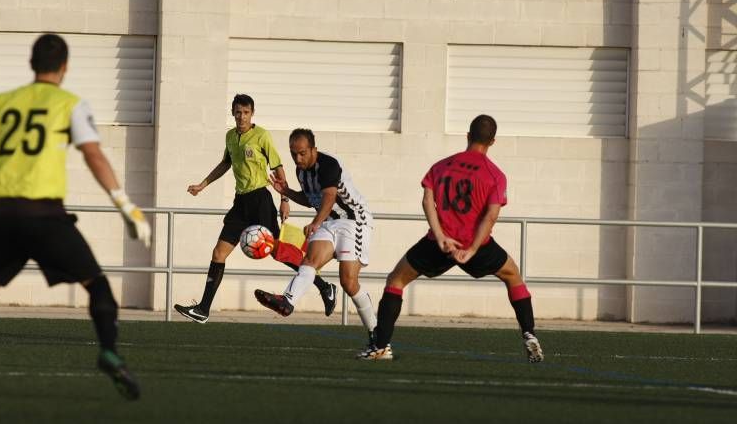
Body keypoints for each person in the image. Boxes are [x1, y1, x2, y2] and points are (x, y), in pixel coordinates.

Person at [0, 34, 151, 399]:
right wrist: (123, 202)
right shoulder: (70, 104)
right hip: (43, 215)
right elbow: (93, 155)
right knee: (96, 284)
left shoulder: (2, 101)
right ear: (65, 67)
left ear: (31, 64)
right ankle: (109, 352)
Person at [358, 114, 543, 363]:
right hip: (476, 245)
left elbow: (427, 200)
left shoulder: (441, 165)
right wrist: (474, 249)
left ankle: (380, 347)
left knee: (396, 280)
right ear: (493, 141)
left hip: (438, 244)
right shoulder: (495, 175)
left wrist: (442, 237)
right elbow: (490, 216)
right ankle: (529, 334)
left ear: (468, 135)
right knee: (513, 275)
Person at [174, 95, 336, 324]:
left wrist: (285, 200)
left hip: (260, 199)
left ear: (252, 113)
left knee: (277, 251)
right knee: (218, 253)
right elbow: (225, 164)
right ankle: (203, 309)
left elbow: (278, 168)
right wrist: (203, 184)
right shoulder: (230, 136)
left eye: (246, 112)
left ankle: (324, 286)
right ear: (232, 113)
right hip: (240, 203)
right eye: (238, 112)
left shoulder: (262, 136)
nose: (241, 116)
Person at [254, 129, 377, 342]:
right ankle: (287, 301)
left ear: (313, 150)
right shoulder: (301, 172)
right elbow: (312, 199)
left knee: (348, 282)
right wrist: (287, 191)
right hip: (329, 222)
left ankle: (377, 334)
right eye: (293, 154)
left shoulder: (328, 164)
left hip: (354, 220)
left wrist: (315, 223)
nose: (297, 158)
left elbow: (329, 196)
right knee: (309, 261)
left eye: (302, 153)